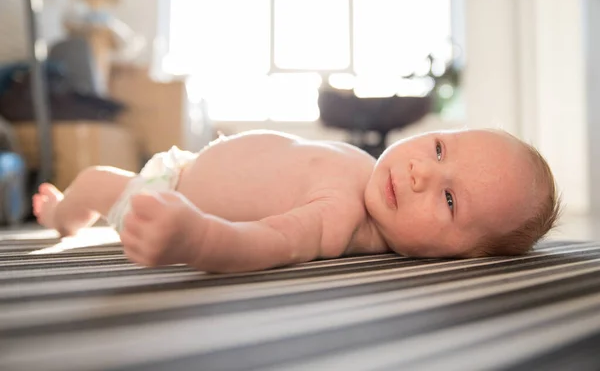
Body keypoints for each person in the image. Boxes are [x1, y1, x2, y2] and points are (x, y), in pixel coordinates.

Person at [32, 128, 561, 273]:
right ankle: (63, 208)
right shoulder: (376, 176)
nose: (422, 171)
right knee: (100, 178)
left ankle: (61, 214)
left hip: (169, 196)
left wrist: (194, 235)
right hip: (186, 163)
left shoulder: (342, 216)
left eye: (449, 200)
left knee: (99, 183)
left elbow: (270, 241)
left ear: (456, 257)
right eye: (441, 147)